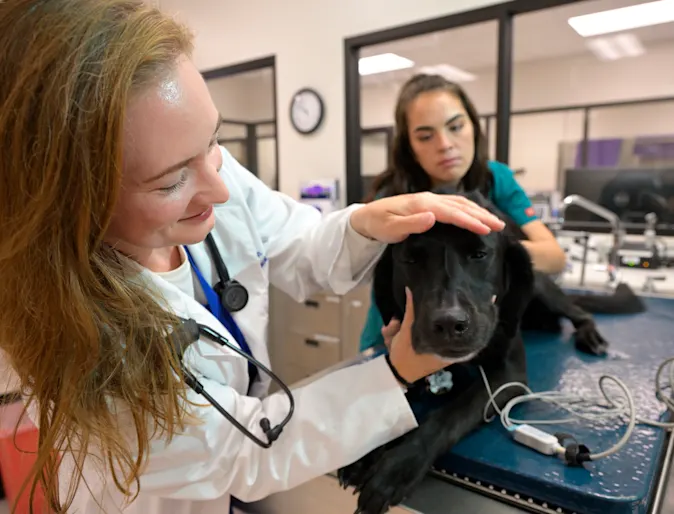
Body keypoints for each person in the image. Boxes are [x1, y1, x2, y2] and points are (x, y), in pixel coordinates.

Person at [0, 1, 507, 513]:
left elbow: (293, 243)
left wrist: (364, 223)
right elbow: (243, 453)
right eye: (173, 180)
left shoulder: (199, 168)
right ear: (67, 206)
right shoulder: (83, 339)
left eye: (214, 141)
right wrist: (396, 371)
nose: (220, 190)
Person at [360, 73, 567, 352]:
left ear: (474, 127)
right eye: (425, 136)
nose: (445, 144)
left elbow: (554, 257)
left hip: (473, 332)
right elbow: (382, 278)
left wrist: (490, 253)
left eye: (455, 127)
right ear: (410, 147)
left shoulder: (497, 179)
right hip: (402, 335)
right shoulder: (392, 198)